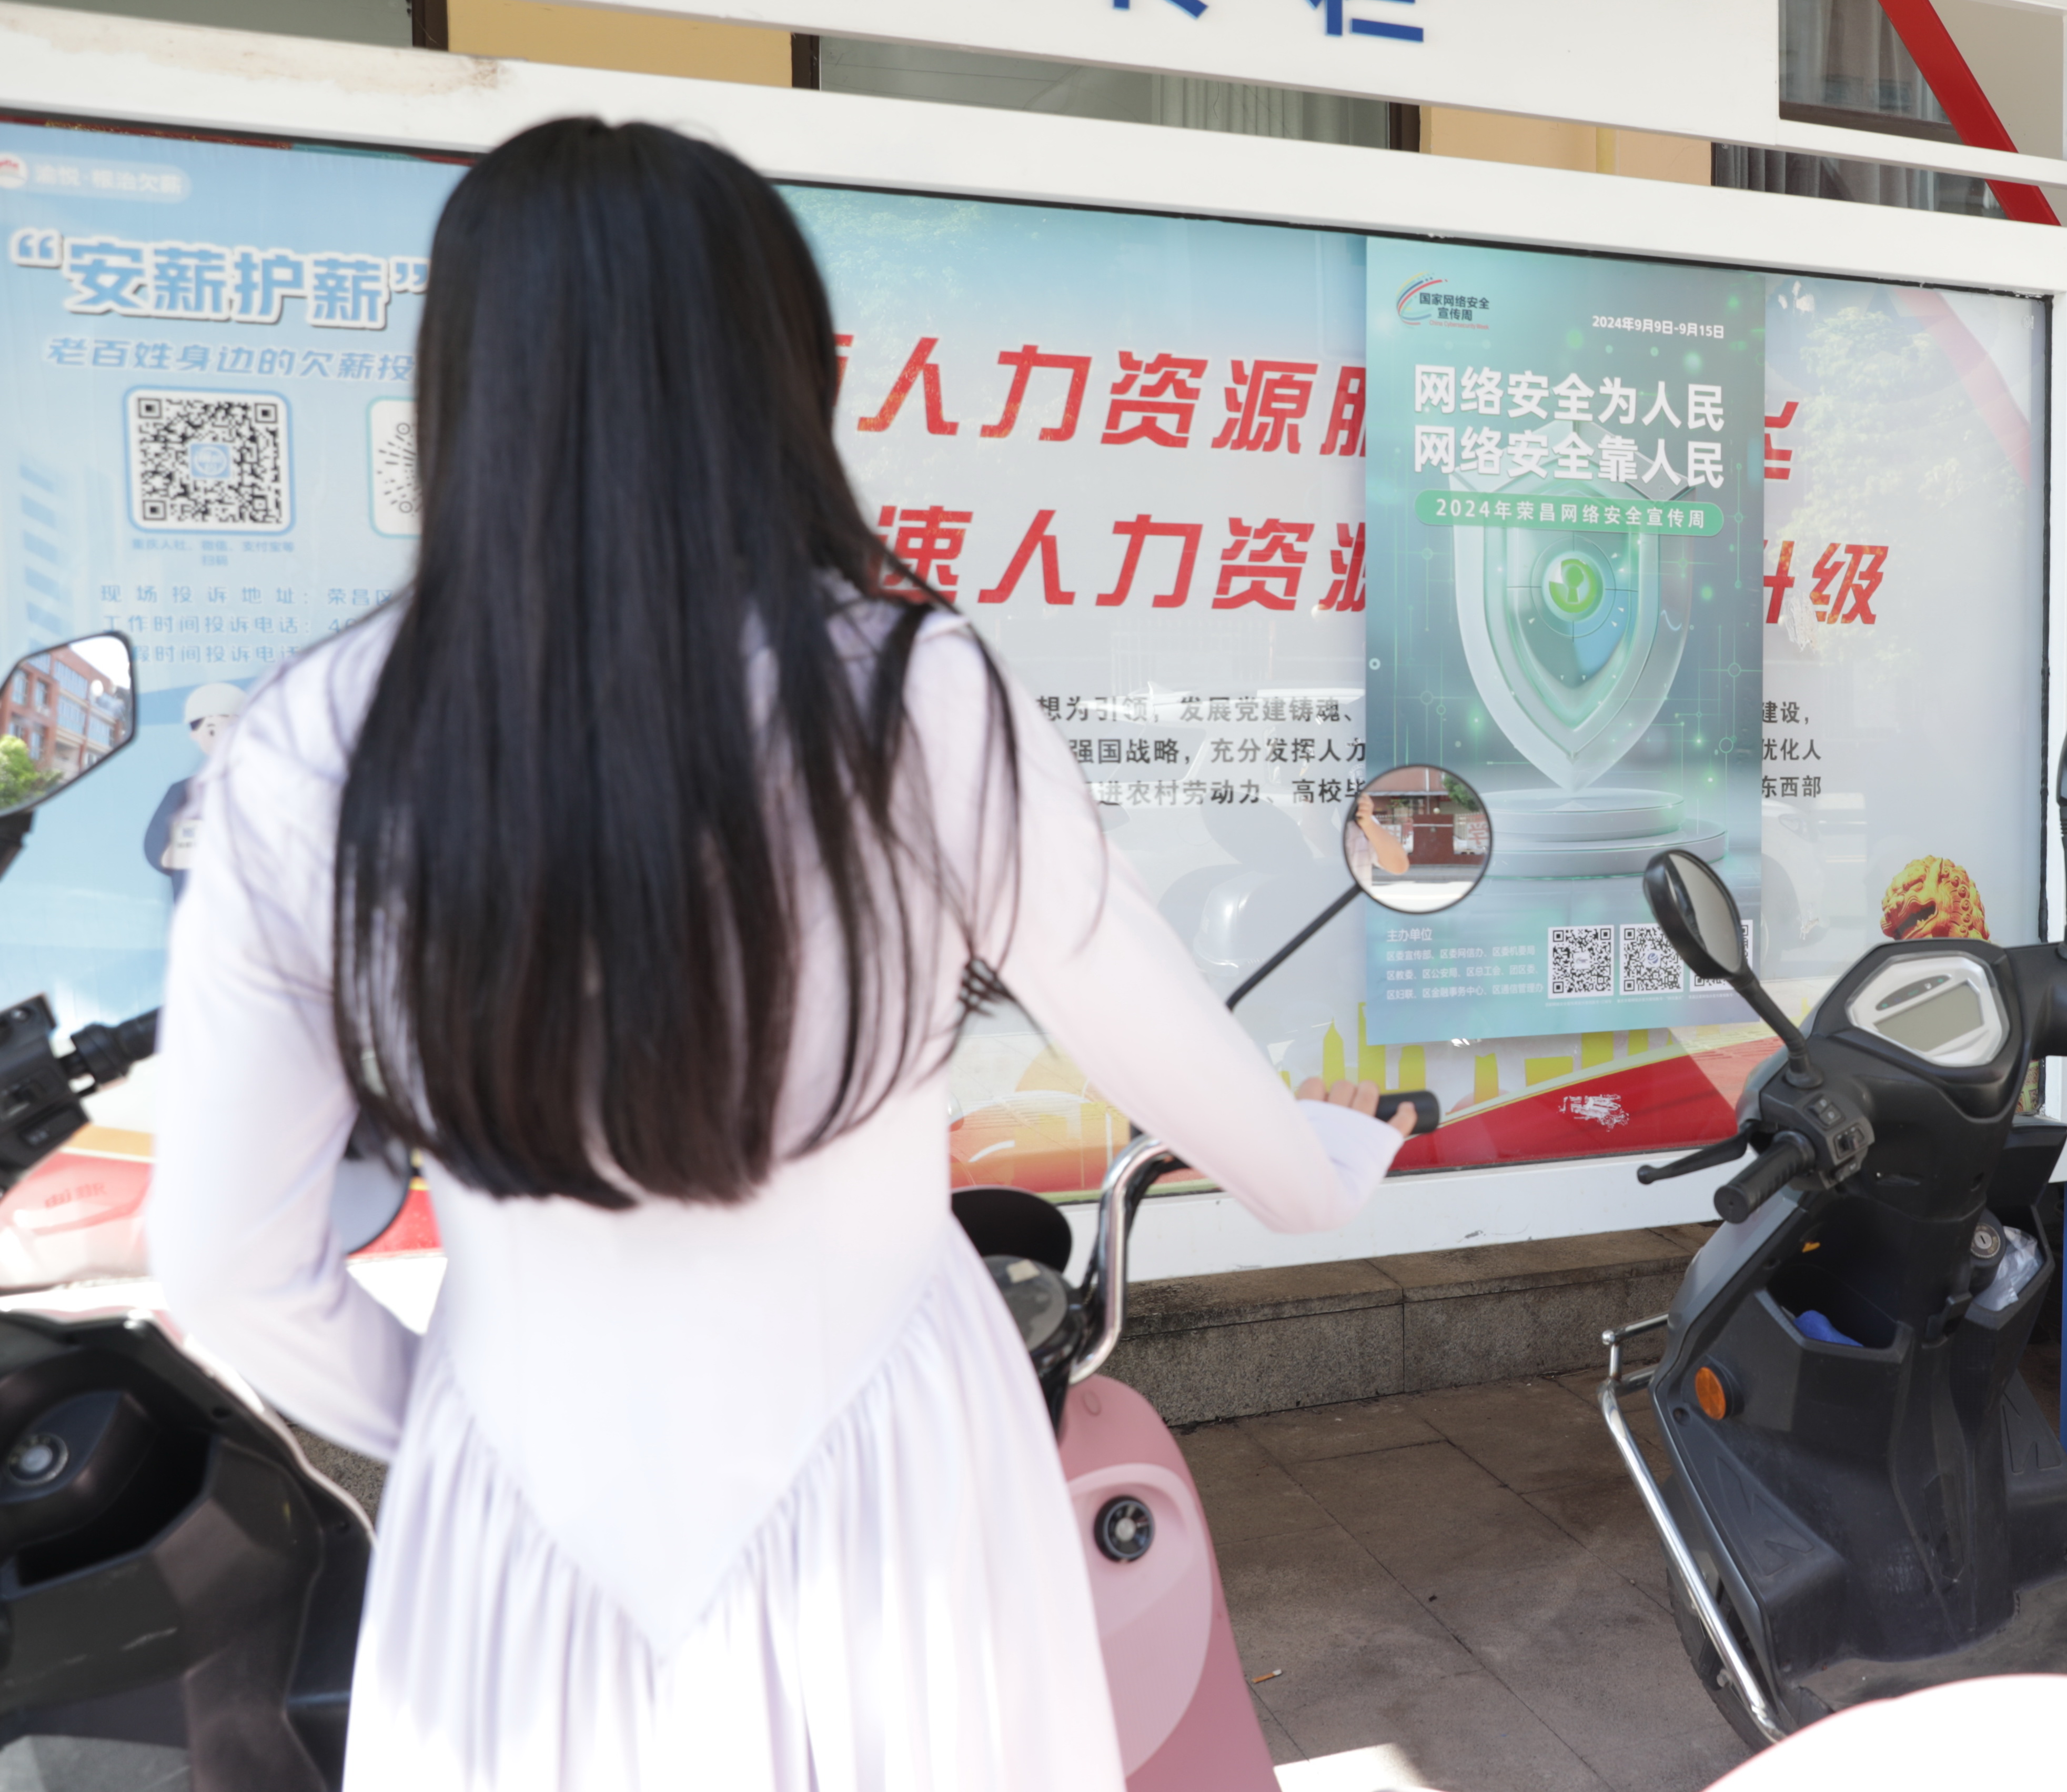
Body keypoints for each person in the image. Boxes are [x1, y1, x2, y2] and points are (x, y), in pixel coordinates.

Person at [148, 117, 1414, 1790]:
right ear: (788, 379)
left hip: (519, 1522)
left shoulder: (311, 738)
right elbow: (1152, 1024)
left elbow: (221, 1262)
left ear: (463, 385)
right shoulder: (910, 689)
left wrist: (453, 1420)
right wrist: (1323, 1169)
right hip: (900, 1476)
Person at [140, 680, 245, 899]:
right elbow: (156, 850)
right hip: (198, 906)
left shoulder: (264, 789)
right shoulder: (181, 793)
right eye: (212, 730)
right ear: (196, 734)